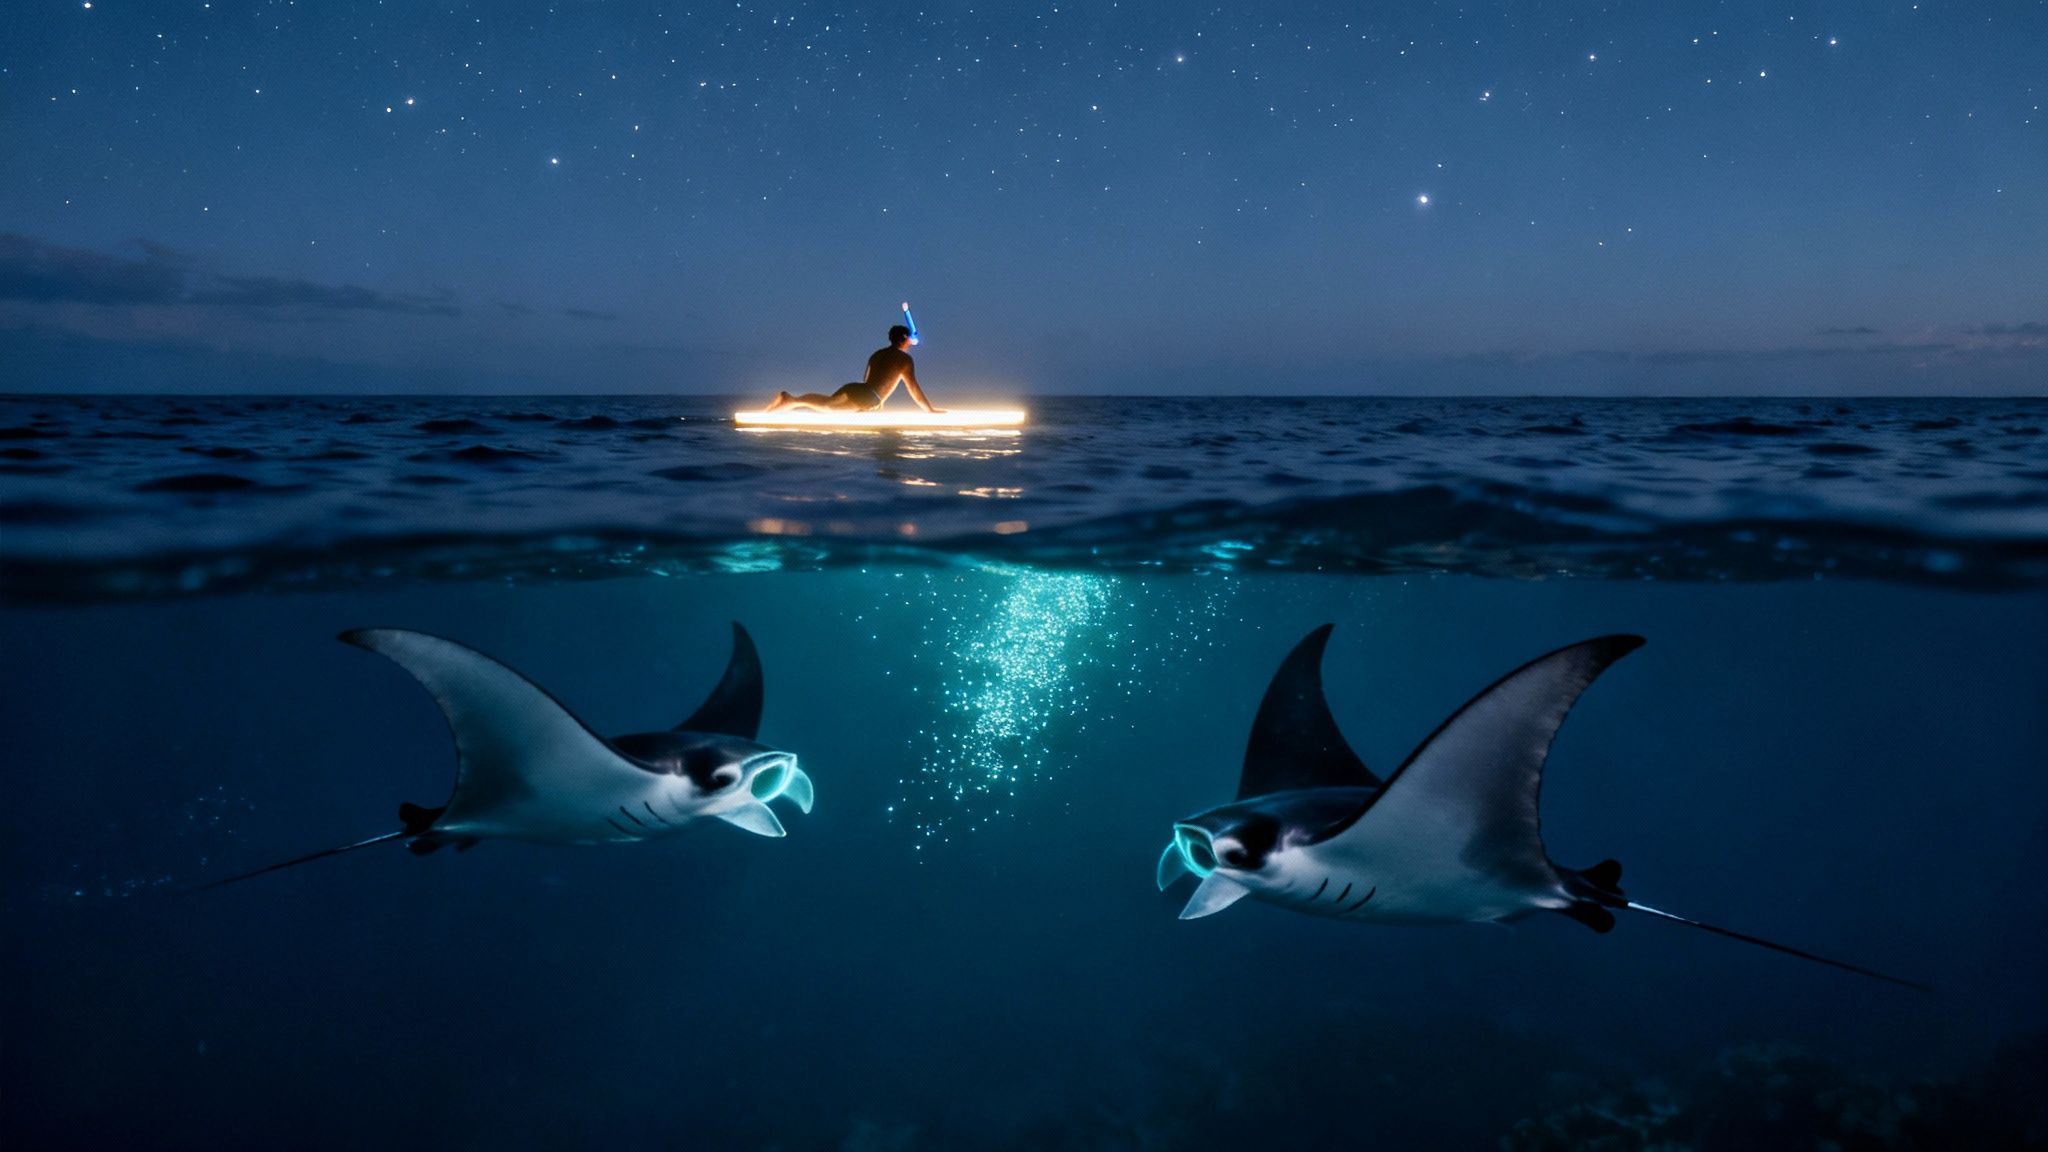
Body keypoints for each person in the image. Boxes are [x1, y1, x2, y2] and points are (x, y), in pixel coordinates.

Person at [763, 325, 943, 413]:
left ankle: (793, 399)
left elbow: (866, 378)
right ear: (903, 338)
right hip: (868, 397)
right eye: (909, 339)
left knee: (828, 403)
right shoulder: (905, 359)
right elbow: (914, 389)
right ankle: (791, 400)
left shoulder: (877, 354)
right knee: (828, 407)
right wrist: (930, 410)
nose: (911, 342)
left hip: (857, 388)